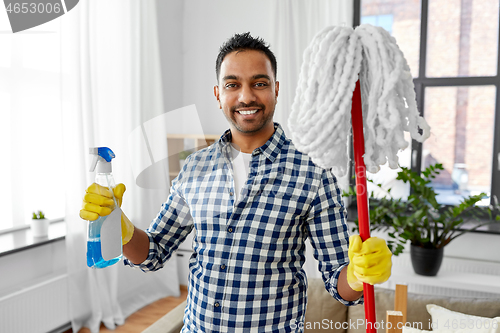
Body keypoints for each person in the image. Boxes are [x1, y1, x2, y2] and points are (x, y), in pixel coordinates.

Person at [80, 32, 392, 332]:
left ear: (276, 89)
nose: (246, 96)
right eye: (233, 84)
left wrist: (355, 275)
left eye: (259, 83)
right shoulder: (194, 167)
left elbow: (340, 285)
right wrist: (120, 226)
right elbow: (154, 252)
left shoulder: (313, 171)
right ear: (218, 94)